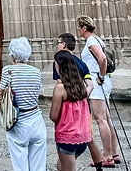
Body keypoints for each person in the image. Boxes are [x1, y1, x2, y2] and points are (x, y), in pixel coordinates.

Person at [0, 36, 46, 171]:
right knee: (38, 163)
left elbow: (1, 91)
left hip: (17, 121)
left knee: (19, 161)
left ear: (12, 54)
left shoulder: (8, 70)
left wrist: (0, 93)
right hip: (36, 117)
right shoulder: (36, 72)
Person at [54, 33, 103, 168]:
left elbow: (60, 83)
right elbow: (90, 85)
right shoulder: (81, 63)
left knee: (65, 156)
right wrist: (81, 95)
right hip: (83, 108)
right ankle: (99, 166)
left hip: (67, 117)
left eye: (58, 43)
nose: (57, 45)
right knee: (88, 137)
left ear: (63, 44)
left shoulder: (60, 60)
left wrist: (70, 96)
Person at [77, 15, 118, 167]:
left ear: (84, 28)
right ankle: (113, 152)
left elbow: (102, 59)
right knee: (106, 118)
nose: (78, 31)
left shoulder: (91, 41)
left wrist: (100, 75)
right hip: (104, 80)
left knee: (100, 119)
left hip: (97, 80)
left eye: (79, 28)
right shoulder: (97, 39)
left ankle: (107, 156)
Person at [50, 50, 92, 171]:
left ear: (60, 65)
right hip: (83, 138)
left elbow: (54, 116)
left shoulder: (60, 88)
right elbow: (90, 87)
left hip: (67, 136)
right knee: (63, 164)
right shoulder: (81, 86)